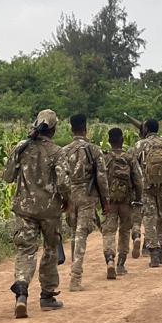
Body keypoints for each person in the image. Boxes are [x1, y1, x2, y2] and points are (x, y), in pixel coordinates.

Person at [2, 109, 64, 318]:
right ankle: (47, 296)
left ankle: (21, 293)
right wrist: (69, 203)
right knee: (50, 250)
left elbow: (8, 176)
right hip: (50, 210)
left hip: (24, 209)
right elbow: (64, 183)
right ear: (54, 129)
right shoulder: (57, 152)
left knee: (26, 251)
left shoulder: (22, 148)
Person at [57, 113, 109, 291]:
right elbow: (102, 179)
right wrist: (105, 202)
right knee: (81, 236)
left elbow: (60, 178)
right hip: (87, 197)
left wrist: (63, 199)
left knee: (73, 234)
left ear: (71, 129)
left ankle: (74, 273)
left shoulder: (63, 151)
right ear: (86, 129)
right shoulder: (94, 150)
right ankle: (75, 277)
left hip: (70, 196)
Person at [102, 127, 143, 278]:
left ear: (109, 140)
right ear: (122, 140)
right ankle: (121, 264)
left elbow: (100, 180)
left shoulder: (104, 158)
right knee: (125, 231)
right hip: (127, 201)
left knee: (109, 232)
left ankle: (109, 260)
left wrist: (101, 200)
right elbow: (138, 181)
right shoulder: (129, 158)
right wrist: (138, 198)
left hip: (110, 202)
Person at [135, 119, 162, 266]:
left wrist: (135, 187)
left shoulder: (140, 145)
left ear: (145, 129)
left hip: (147, 187)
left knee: (149, 218)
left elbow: (134, 167)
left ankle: (153, 253)